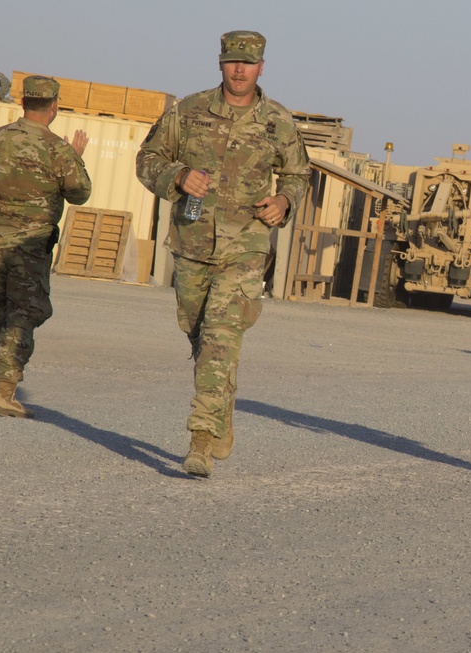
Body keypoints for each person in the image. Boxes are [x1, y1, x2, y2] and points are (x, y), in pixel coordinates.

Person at [136, 30, 310, 478]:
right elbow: (147, 159)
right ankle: (221, 412)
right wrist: (176, 176)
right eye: (232, 61)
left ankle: (199, 441)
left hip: (246, 247)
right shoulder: (187, 112)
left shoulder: (279, 122)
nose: (239, 70)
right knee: (198, 334)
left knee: (220, 336)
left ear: (261, 68)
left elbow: (298, 175)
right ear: (220, 63)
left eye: (248, 63)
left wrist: (284, 201)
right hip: (193, 243)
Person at [0, 75, 91, 418]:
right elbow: (80, 194)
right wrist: (75, 156)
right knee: (23, 315)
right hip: (30, 248)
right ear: (54, 106)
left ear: (23, 103)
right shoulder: (58, 150)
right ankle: (5, 393)